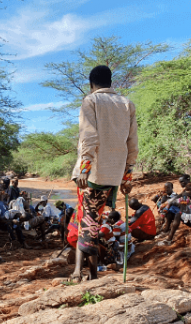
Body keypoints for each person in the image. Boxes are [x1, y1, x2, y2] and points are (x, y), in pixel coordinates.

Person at [70, 65, 138, 282]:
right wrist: (127, 175)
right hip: (115, 173)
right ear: (110, 82)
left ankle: (87, 274)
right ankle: (84, 271)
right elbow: (132, 143)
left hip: (93, 174)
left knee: (88, 221)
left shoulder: (91, 101)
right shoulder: (127, 104)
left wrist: (84, 166)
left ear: (92, 84)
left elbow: (88, 136)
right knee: (93, 220)